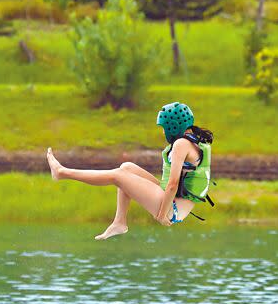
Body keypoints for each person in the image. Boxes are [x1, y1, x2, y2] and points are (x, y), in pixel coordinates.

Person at [46, 102, 213, 240]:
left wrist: (161, 215)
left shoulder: (180, 144)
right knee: (127, 167)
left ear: (173, 127)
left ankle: (62, 172)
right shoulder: (194, 142)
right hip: (172, 200)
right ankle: (120, 222)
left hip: (171, 208)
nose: (163, 132)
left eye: (164, 128)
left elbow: (173, 184)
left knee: (118, 176)